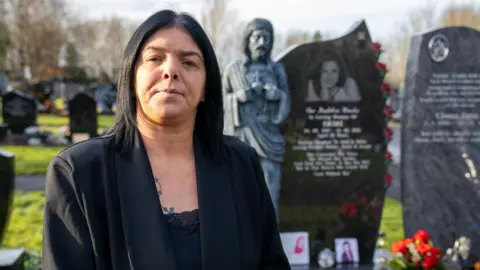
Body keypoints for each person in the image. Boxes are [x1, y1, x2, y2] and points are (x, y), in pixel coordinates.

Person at [42, 10, 290, 270]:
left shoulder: (241, 164)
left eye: (189, 62)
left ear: (206, 86)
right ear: (131, 75)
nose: (170, 70)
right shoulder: (78, 172)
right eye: (155, 58)